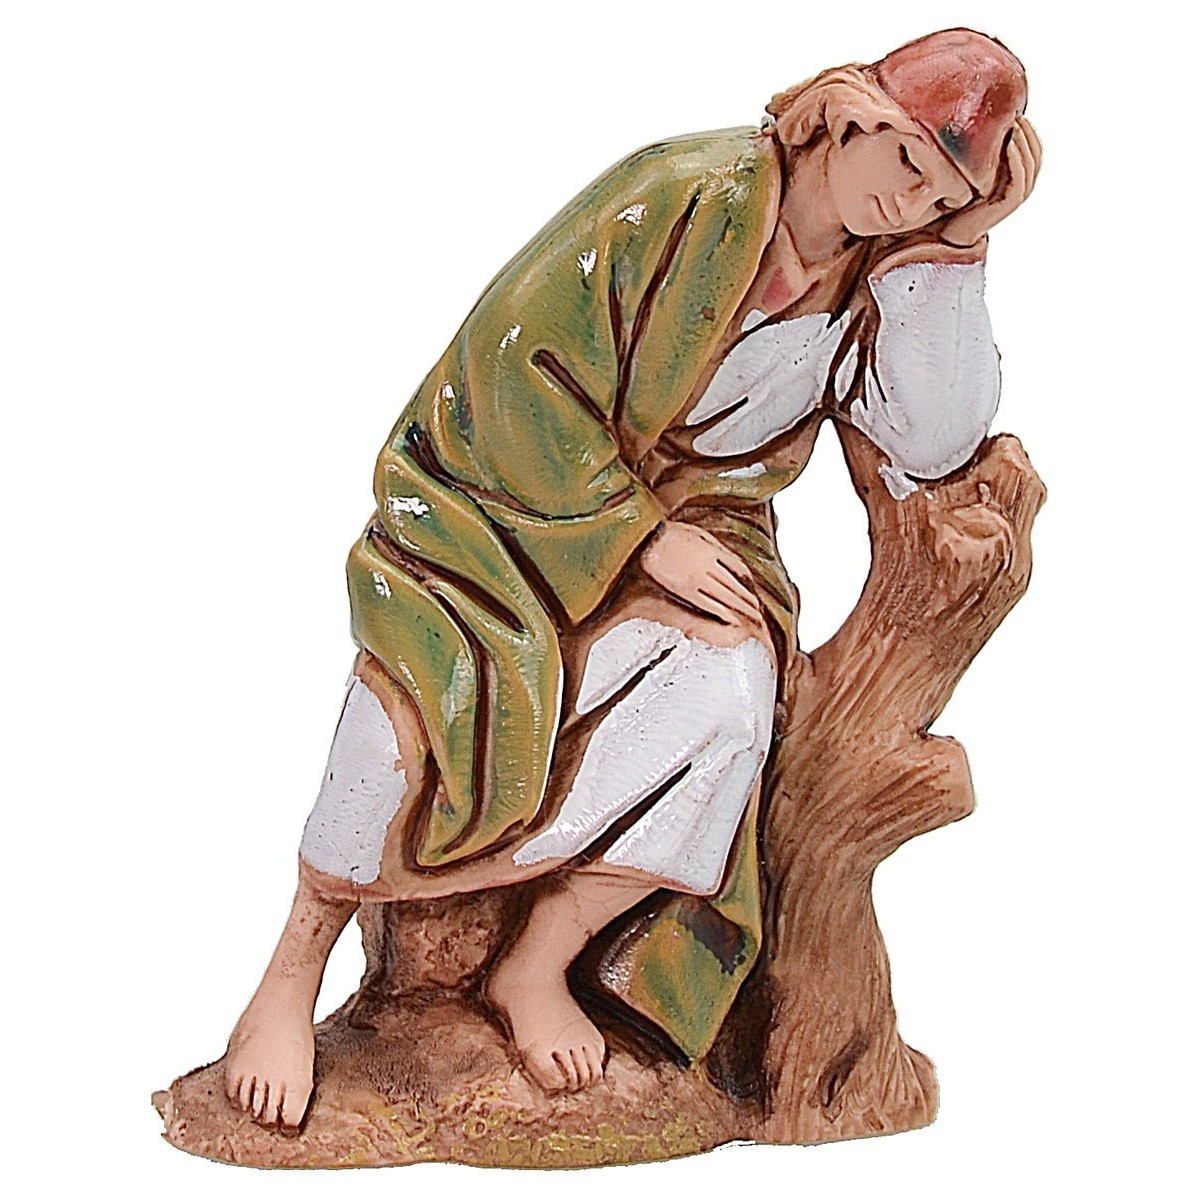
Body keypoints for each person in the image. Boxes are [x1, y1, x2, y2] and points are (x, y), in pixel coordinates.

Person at [224, 28, 1040, 1129]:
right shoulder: (680, 195)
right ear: (847, 120)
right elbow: (512, 369)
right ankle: (289, 975)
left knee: (727, 706)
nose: (910, 202)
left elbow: (934, 440)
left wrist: (961, 248)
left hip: (708, 532)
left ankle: (540, 962)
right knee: (420, 703)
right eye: (905, 164)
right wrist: (636, 536)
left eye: (941, 194)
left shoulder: (876, 273)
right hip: (505, 509)